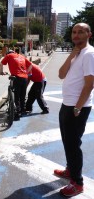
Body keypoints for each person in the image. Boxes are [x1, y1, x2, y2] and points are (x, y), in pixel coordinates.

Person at [54, 23, 94, 197]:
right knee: (67, 142)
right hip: (67, 105)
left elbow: (90, 84)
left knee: (73, 145)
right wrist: (71, 55)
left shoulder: (89, 54)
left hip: (77, 107)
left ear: (89, 34)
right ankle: (70, 170)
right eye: (74, 32)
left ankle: (77, 183)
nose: (76, 35)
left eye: (81, 32)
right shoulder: (77, 54)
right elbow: (61, 74)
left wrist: (78, 107)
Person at [0, 50, 32, 120]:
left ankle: (17, 113)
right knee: (22, 96)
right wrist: (26, 72)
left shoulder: (9, 56)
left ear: (8, 53)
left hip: (16, 77)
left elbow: (1, 64)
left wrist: (1, 72)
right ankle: (22, 111)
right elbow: (30, 65)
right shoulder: (22, 56)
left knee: (16, 96)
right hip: (25, 78)